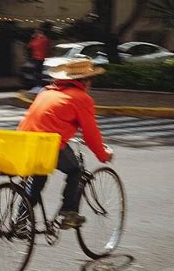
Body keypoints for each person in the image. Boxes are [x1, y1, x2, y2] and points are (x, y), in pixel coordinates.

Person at [17, 58, 113, 229]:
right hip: (48, 143)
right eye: (90, 79)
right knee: (76, 170)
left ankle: (20, 220)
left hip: (24, 140)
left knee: (39, 177)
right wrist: (103, 154)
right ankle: (69, 213)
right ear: (84, 81)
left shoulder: (45, 92)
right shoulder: (81, 98)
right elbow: (91, 134)